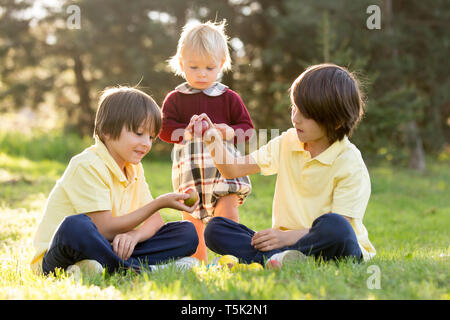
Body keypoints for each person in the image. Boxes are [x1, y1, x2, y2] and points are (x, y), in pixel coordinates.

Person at [192, 63, 376, 267]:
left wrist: (286, 238)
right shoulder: (288, 141)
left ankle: (275, 258)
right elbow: (232, 169)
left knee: (335, 226)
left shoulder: (350, 163)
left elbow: (343, 228)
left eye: (305, 114)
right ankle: (282, 260)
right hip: (283, 245)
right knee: (216, 229)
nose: (295, 118)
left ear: (335, 122)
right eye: (294, 107)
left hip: (333, 247)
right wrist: (212, 139)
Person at [30, 86, 200, 276]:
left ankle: (99, 267)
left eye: (151, 137)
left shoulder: (133, 168)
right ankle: (139, 269)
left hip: (106, 248)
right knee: (76, 226)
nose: (147, 143)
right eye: (138, 133)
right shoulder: (87, 165)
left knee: (186, 233)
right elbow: (103, 229)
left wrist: (134, 235)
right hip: (59, 257)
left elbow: (155, 223)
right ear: (108, 131)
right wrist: (159, 203)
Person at [158, 20, 254, 262]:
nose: (202, 73)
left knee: (226, 215)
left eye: (210, 68)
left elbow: (247, 130)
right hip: (190, 172)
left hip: (224, 169)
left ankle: (232, 259)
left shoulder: (228, 97)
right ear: (181, 64)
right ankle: (197, 262)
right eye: (194, 67)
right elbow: (163, 130)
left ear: (221, 65)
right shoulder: (175, 99)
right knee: (192, 220)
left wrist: (227, 131)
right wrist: (186, 133)